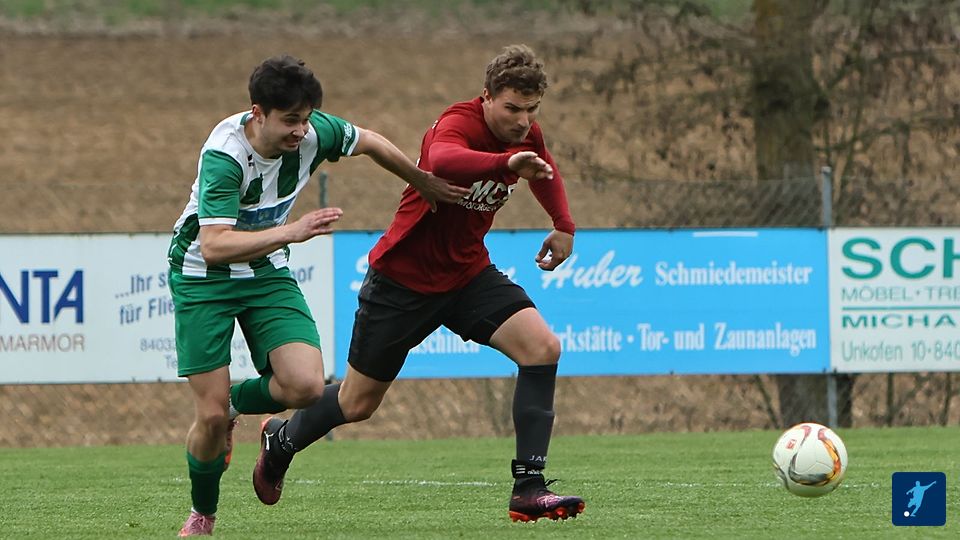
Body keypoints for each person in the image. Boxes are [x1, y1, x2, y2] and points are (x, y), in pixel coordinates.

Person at [253, 44, 586, 523]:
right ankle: (281, 440)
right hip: (401, 282)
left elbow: (543, 169)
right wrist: (505, 165)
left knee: (542, 348)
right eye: (512, 108)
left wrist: (564, 224)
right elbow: (445, 161)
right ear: (486, 97)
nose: (522, 121)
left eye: (531, 110)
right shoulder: (456, 124)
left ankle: (528, 488)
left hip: (467, 275)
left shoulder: (526, 134)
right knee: (357, 403)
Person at [169, 54, 470, 537]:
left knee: (306, 387)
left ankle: (232, 407)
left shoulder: (313, 132)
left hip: (264, 272)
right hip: (203, 278)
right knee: (206, 416)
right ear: (258, 113)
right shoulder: (225, 156)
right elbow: (214, 246)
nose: (301, 131)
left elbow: (369, 141)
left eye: (306, 119)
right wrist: (290, 232)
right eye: (290, 120)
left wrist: (421, 180)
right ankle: (203, 513)